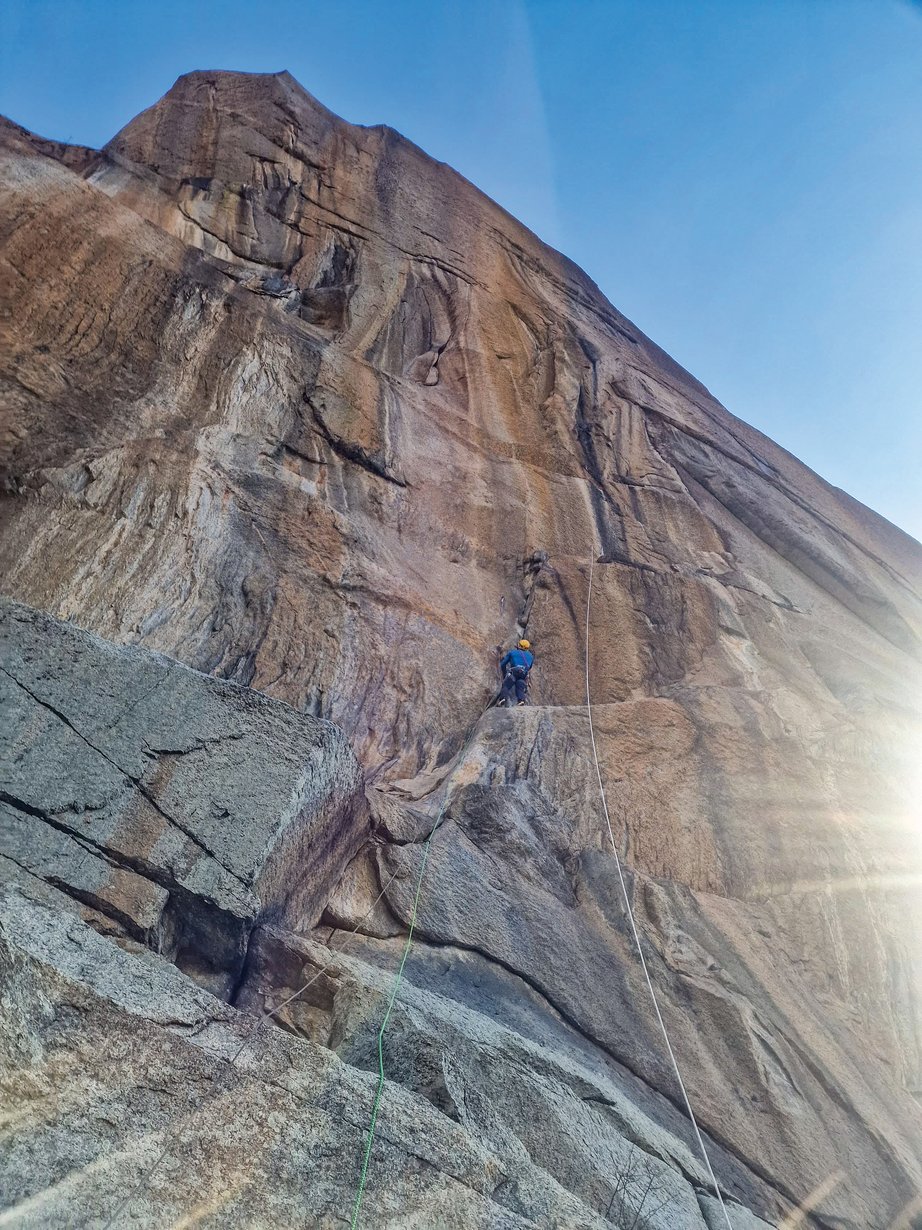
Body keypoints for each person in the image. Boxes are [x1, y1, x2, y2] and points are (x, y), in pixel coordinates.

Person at [498, 639, 534, 707]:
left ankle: (502, 698)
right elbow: (529, 668)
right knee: (520, 684)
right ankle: (521, 700)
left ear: (519, 645)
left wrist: (504, 673)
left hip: (514, 671)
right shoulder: (531, 656)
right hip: (523, 674)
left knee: (506, 685)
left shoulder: (512, 653)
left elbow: (503, 664)